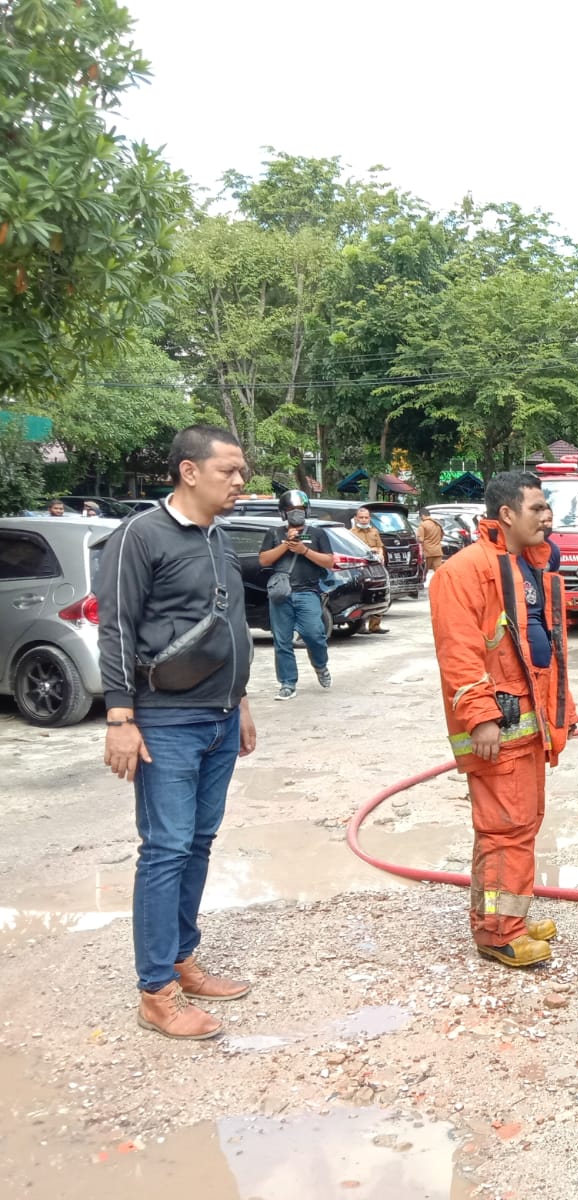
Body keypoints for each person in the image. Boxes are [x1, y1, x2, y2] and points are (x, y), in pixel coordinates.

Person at [95, 425, 258, 1040]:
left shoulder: (219, 536)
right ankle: (155, 990)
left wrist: (239, 702)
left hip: (218, 716)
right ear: (190, 472)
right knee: (165, 848)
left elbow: (230, 625)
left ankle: (183, 958)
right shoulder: (141, 535)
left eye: (242, 472)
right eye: (230, 471)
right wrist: (119, 717)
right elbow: (116, 628)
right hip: (165, 717)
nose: (240, 481)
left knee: (199, 839)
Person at [430, 470, 575, 968]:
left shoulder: (525, 567)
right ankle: (498, 932)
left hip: (526, 729)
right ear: (507, 514)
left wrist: (562, 714)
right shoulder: (467, 571)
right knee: (504, 829)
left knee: (520, 825)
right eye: (537, 508)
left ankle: (509, 913)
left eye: (547, 507)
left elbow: (544, 651)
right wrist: (481, 716)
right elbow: (460, 653)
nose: (548, 516)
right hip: (497, 730)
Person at [259, 489, 337, 700]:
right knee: (282, 640)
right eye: (291, 510)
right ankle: (287, 683)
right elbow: (264, 560)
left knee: (315, 634)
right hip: (281, 594)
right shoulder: (274, 534)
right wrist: (286, 544)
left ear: (307, 510)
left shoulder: (317, 534)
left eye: (300, 509)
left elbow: (329, 562)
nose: (296, 513)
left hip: (308, 592)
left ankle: (320, 665)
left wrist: (304, 550)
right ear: (284, 513)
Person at [348, 507, 388, 634]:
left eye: (366, 517)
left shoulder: (374, 531)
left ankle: (375, 625)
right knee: (363, 596)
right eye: (361, 517)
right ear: (356, 518)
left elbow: (380, 547)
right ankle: (360, 625)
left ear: (369, 518)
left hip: (376, 568)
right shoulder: (351, 533)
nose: (364, 520)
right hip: (361, 569)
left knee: (379, 594)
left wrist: (380, 553)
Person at [418, 506, 445, 584]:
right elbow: (441, 536)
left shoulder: (423, 525)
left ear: (423, 515)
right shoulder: (438, 524)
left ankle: (421, 582)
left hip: (428, 552)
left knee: (424, 570)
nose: (421, 519)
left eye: (420, 517)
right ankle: (443, 584)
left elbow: (420, 539)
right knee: (438, 570)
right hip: (437, 551)